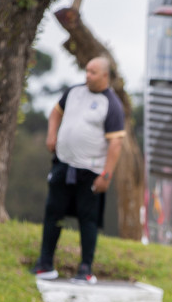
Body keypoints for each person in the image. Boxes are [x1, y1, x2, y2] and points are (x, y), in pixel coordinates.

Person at [30, 56, 125, 284]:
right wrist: (52, 134)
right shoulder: (73, 92)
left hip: (90, 171)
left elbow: (116, 144)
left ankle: (85, 269)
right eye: (87, 71)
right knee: (53, 212)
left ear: (104, 76)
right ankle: (44, 264)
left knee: (87, 219)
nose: (87, 75)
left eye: (92, 72)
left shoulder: (111, 104)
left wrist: (106, 175)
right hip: (63, 164)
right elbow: (55, 112)